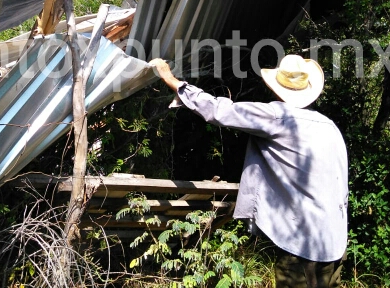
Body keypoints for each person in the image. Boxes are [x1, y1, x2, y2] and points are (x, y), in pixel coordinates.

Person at [149, 54, 348, 288]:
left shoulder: (277, 116)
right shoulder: (329, 126)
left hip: (302, 243)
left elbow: (220, 110)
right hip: (333, 240)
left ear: (277, 88)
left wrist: (173, 81)